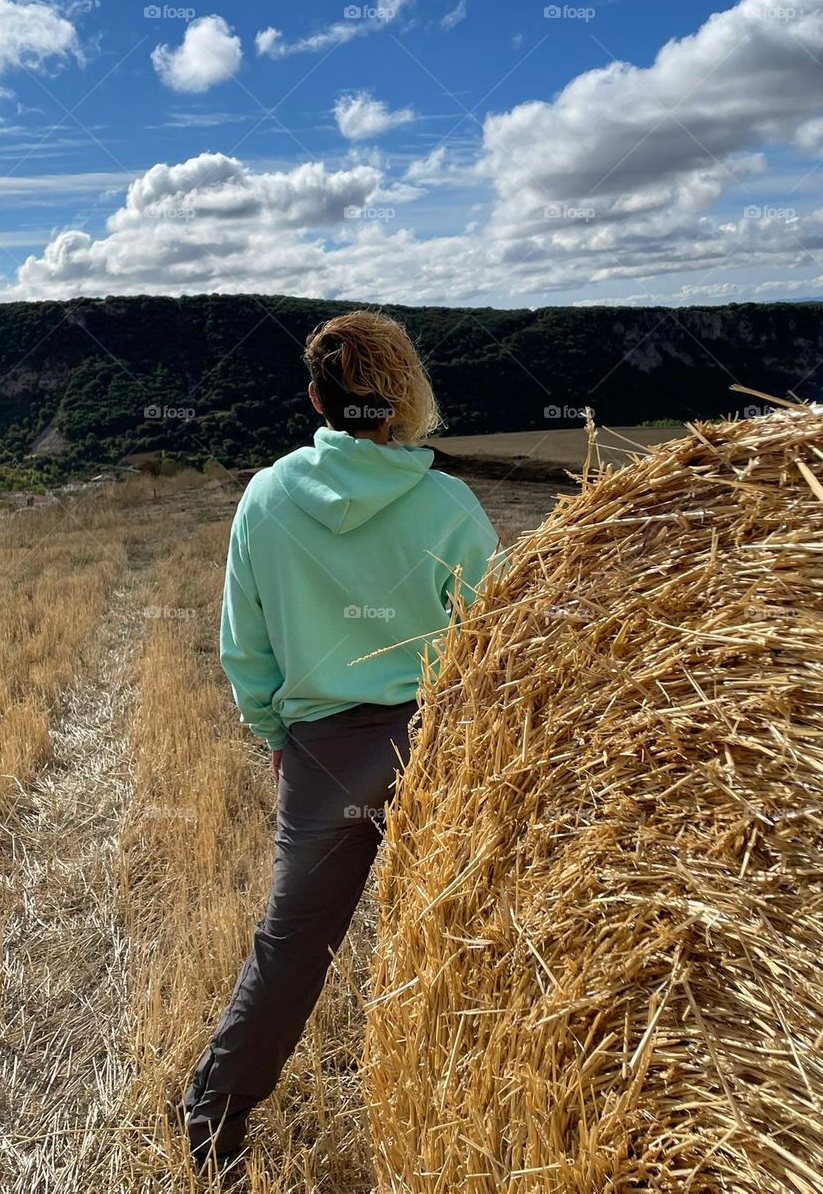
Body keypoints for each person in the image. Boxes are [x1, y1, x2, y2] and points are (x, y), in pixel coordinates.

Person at [171, 310, 499, 1171]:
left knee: (292, 947)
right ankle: (473, 1124)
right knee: (463, 931)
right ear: (400, 397)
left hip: (319, 754)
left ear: (316, 399)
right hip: (439, 746)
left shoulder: (267, 498)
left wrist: (276, 734)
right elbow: (495, 637)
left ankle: (213, 1116)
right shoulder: (448, 504)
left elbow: (244, 646)